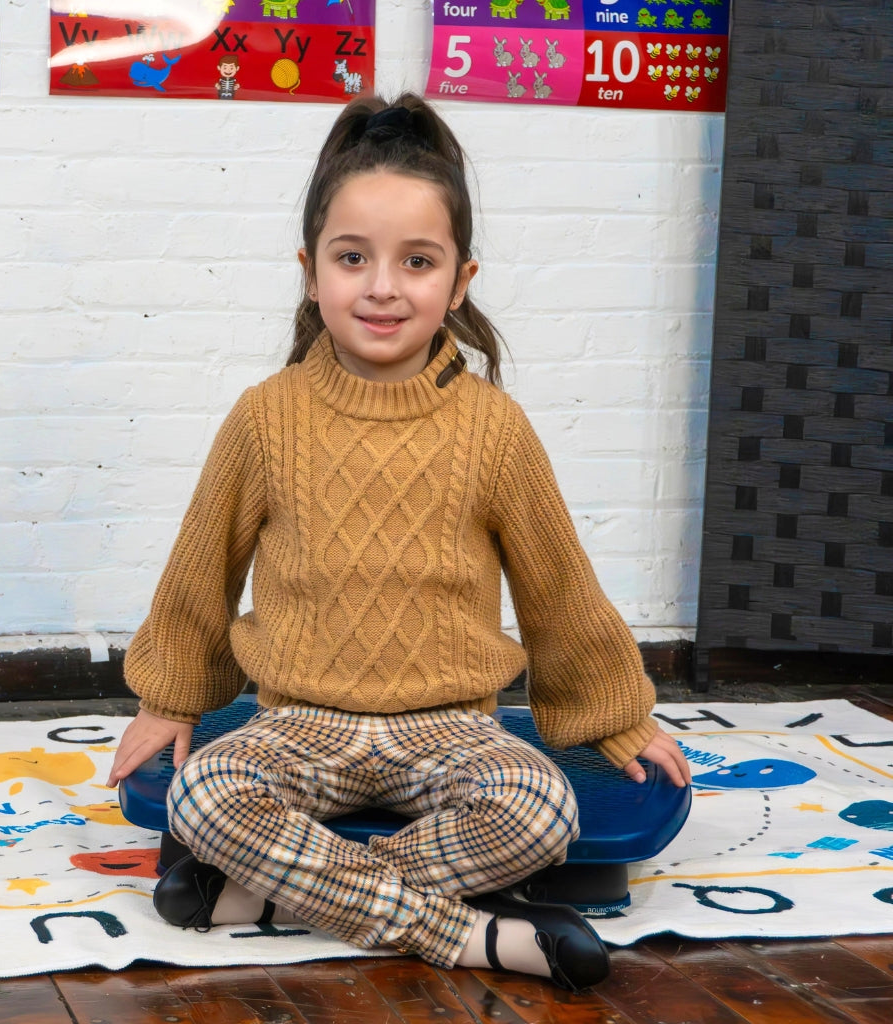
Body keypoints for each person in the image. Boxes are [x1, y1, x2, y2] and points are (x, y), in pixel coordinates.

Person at [107, 92, 691, 989]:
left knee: (542, 810)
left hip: (452, 729)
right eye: (353, 258)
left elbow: (558, 589)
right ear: (311, 272)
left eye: (416, 262)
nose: (382, 286)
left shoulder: (494, 430)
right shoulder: (266, 418)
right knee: (201, 797)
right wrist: (170, 699)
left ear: (459, 282)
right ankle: (466, 935)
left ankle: (271, 901)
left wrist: (614, 716)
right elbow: (200, 572)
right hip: (297, 722)